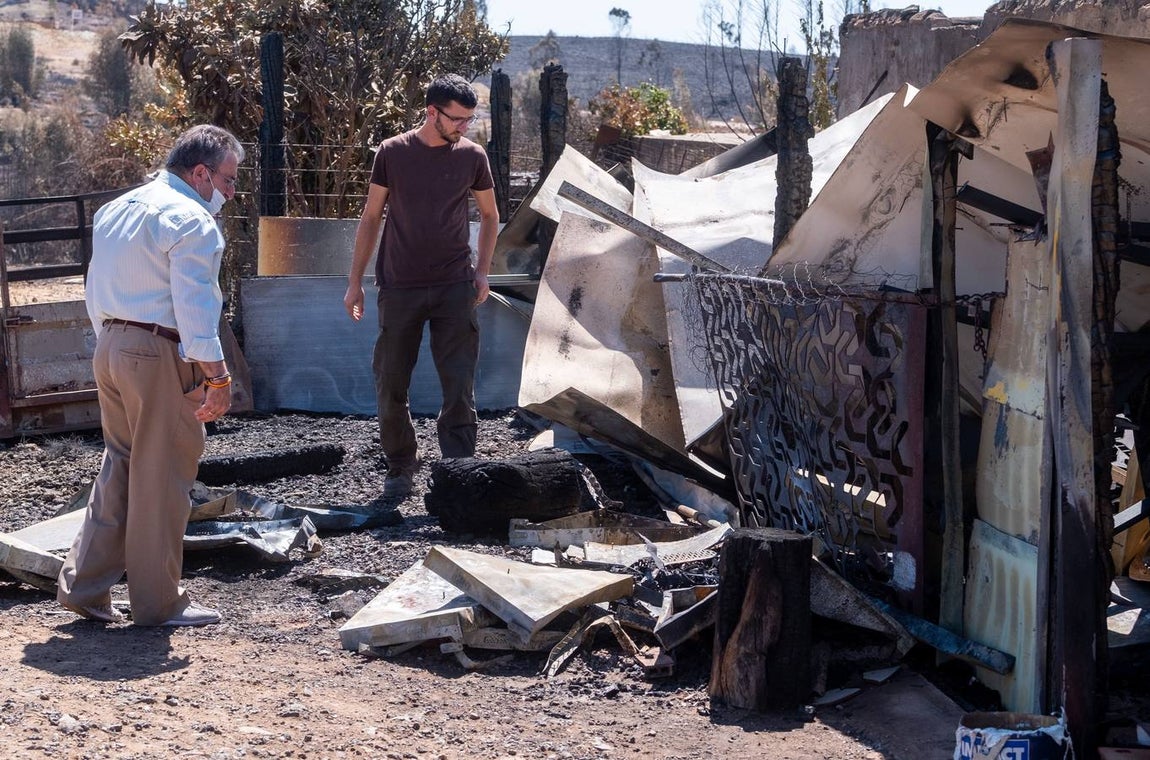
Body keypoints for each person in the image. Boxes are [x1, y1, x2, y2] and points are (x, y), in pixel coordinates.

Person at [57, 124, 243, 627]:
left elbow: (95, 285)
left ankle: (85, 587)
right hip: (158, 349)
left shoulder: (117, 208)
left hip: (112, 344)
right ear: (201, 173)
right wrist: (218, 377)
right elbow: (195, 307)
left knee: (120, 464)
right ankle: (158, 603)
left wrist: (112, 343)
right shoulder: (192, 221)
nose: (230, 191)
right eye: (228, 179)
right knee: (163, 474)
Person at [344, 74, 499, 500]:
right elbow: (372, 216)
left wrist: (482, 270)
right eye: (458, 119)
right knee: (391, 380)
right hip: (399, 286)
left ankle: (459, 470)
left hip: (454, 285)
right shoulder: (392, 152)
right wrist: (355, 282)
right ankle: (400, 465)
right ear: (432, 112)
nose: (464, 127)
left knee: (459, 382)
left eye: (470, 119)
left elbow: (490, 215)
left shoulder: (473, 157)